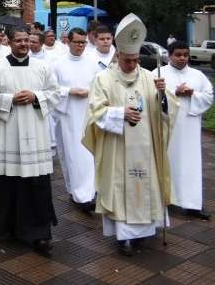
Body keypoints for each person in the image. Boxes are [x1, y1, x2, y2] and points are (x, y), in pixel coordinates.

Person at [82, 13, 178, 256]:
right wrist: (119, 113)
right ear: (118, 56)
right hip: (118, 146)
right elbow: (94, 112)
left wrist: (162, 95)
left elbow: (165, 112)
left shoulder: (149, 78)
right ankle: (123, 237)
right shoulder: (103, 79)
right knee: (120, 187)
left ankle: (144, 233)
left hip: (146, 148)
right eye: (128, 60)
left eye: (136, 60)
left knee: (146, 183)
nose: (133, 64)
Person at [0, 27, 60, 256]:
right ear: (10, 42)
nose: (24, 44)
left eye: (27, 40)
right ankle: (7, 228)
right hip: (8, 134)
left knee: (36, 185)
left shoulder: (43, 67)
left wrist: (36, 97)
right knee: (8, 182)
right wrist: (10, 99)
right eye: (19, 40)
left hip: (35, 135)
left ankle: (40, 234)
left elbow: (54, 93)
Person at [159, 41, 214, 220]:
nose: (182, 58)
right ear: (169, 55)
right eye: (178, 54)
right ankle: (165, 200)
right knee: (167, 161)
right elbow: (148, 95)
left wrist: (193, 94)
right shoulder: (159, 74)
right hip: (167, 126)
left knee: (190, 164)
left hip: (190, 125)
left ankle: (192, 204)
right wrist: (174, 92)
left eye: (185, 54)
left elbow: (208, 96)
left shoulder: (198, 75)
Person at [52, 28, 101, 212]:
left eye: (83, 42)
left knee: (89, 156)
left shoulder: (92, 63)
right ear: (68, 42)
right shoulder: (58, 64)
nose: (80, 46)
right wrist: (69, 91)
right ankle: (78, 193)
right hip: (67, 115)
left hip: (88, 113)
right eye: (77, 42)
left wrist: (91, 92)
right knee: (73, 155)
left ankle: (89, 193)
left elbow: (101, 85)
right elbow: (51, 89)